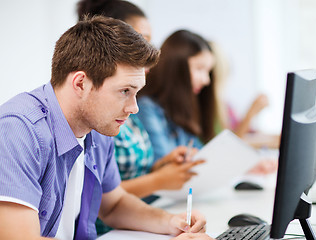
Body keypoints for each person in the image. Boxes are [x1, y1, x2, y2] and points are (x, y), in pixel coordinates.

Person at [0, 16, 213, 240]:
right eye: (125, 92)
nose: (134, 108)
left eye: (136, 93)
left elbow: (114, 204)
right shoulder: (17, 131)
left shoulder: (98, 126)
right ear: (80, 83)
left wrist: (171, 222)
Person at [137, 29, 277, 174]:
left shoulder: (180, 108)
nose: (206, 80)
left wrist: (246, 167)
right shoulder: (146, 107)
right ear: (176, 69)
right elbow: (167, 169)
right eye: (199, 69)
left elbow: (202, 156)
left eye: (208, 72)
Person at [210, 42, 280, 149]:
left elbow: (241, 136)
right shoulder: (211, 111)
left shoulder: (225, 106)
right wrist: (251, 113)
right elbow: (230, 146)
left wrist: (272, 139)